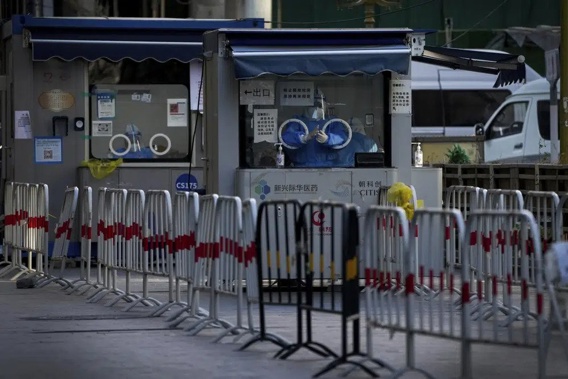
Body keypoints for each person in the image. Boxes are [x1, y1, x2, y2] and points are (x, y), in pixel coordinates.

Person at [280, 99, 349, 168]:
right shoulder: (297, 121)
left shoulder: (333, 122)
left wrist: (328, 139)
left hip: (328, 168)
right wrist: (303, 137)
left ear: (325, 106)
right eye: (312, 105)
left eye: (319, 105)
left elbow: (342, 137)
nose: (315, 108)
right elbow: (287, 137)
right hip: (301, 167)